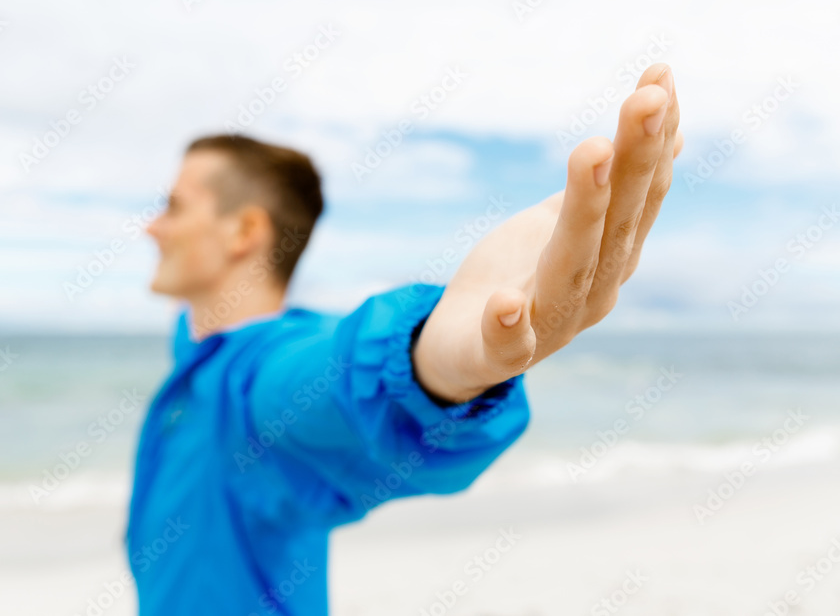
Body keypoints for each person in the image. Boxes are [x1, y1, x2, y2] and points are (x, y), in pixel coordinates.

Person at [124, 63, 683, 614]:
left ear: (245, 231)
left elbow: (329, 387)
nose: (152, 225)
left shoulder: (257, 377)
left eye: (174, 206)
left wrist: (429, 363)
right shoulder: (197, 363)